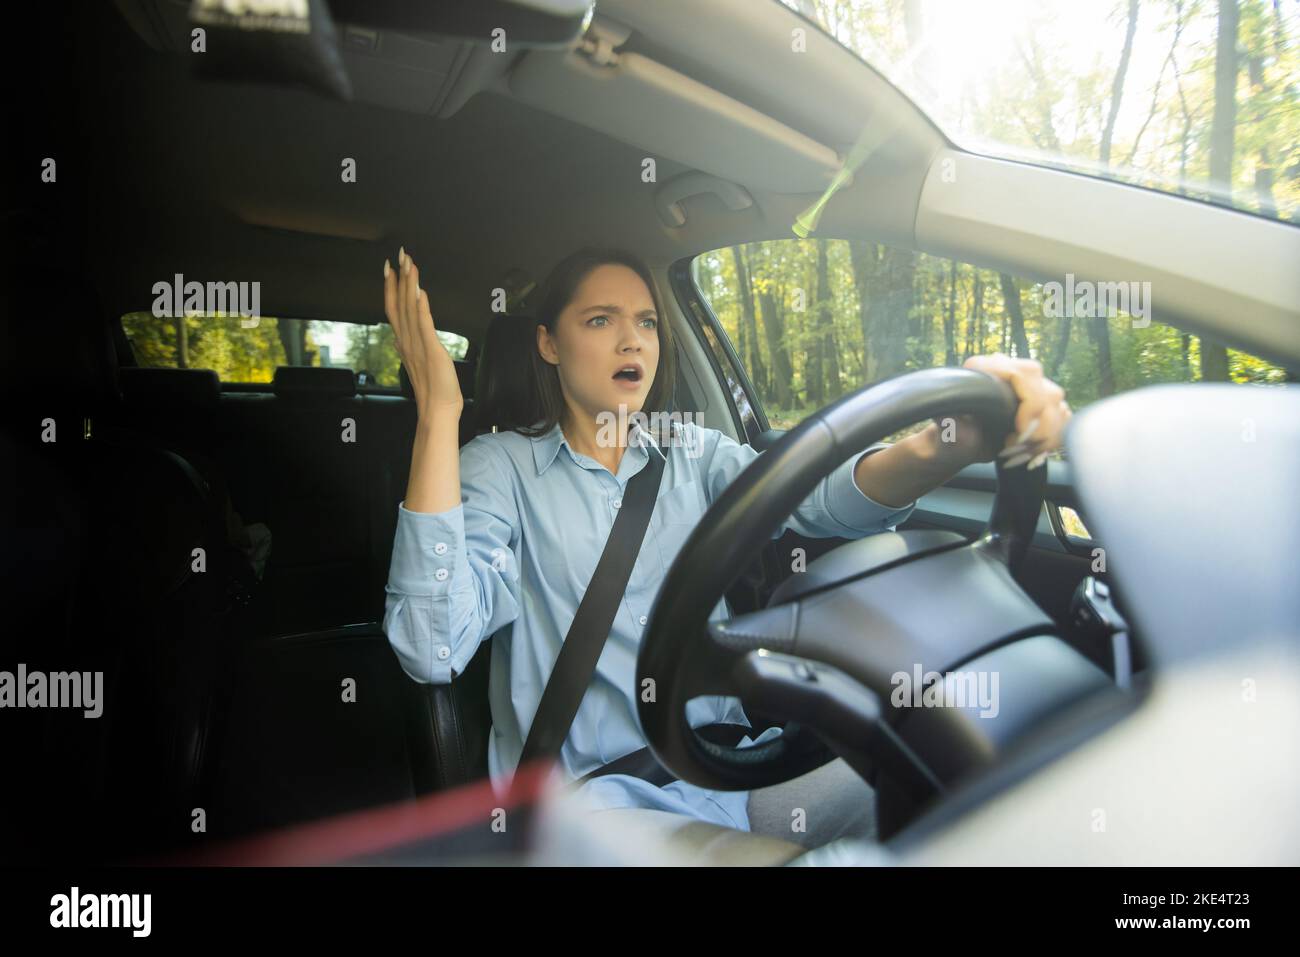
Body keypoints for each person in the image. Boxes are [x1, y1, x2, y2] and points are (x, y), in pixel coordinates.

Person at [381, 245, 1070, 848]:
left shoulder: (692, 451)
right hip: (590, 806)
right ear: (549, 344)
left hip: (728, 768)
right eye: (600, 321)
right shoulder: (499, 466)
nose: (633, 341)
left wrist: (942, 444)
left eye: (646, 322)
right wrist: (440, 412)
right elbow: (430, 645)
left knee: (963, 790)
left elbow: (821, 499)